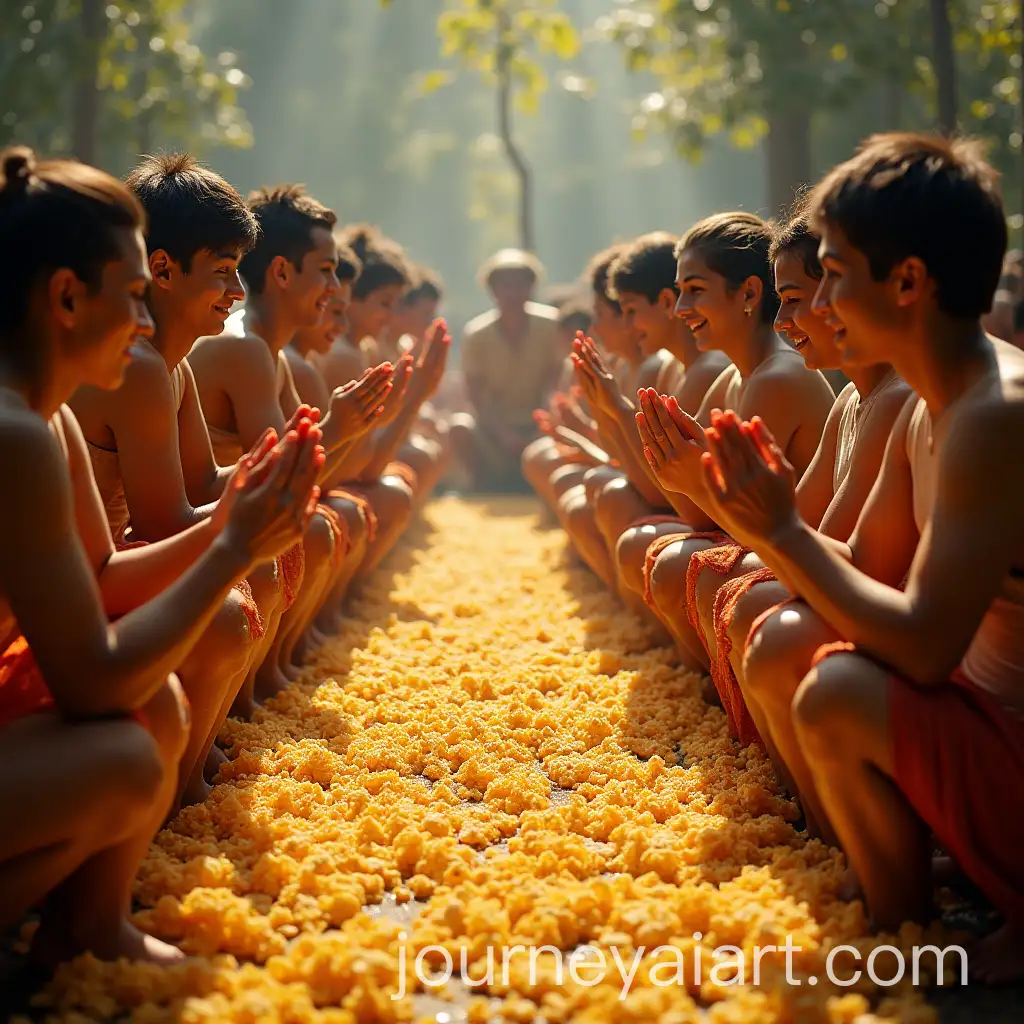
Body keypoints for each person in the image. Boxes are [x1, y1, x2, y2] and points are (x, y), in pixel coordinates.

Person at [683, 133, 1023, 980]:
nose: (813, 301)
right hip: (978, 723)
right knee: (796, 644)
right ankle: (900, 923)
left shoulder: (993, 413)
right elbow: (866, 573)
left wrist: (779, 532)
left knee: (832, 686)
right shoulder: (935, 402)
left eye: (832, 274)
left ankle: (919, 937)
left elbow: (920, 646)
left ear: (907, 282)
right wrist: (749, 518)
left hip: (1003, 733)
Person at [0, 146, 320, 967]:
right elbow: (93, 679)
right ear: (66, 297)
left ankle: (86, 927)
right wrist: (231, 546)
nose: (145, 326)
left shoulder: (49, 418)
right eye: (135, 296)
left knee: (159, 716)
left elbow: (104, 576)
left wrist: (235, 528)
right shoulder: (16, 432)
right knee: (125, 754)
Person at [68, 153, 286, 803]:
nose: (236, 294)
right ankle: (177, 785)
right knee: (229, 606)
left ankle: (197, 750)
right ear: (159, 269)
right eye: (222, 274)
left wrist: (273, 475)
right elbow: (167, 522)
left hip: (106, 573)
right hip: (78, 593)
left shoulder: (173, 364)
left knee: (264, 564)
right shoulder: (133, 366)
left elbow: (201, 484)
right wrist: (252, 514)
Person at [655, 205, 909, 745]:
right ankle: (765, 766)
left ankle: (798, 804)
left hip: (896, 630)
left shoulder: (891, 399)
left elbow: (831, 550)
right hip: (852, 597)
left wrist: (703, 489)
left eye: (794, 300)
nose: (783, 320)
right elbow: (795, 523)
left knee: (742, 600)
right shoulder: (848, 400)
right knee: (705, 573)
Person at [187, 187, 396, 703]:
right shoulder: (243, 347)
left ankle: (264, 677)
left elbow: (298, 481)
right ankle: (247, 694)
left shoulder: (269, 353)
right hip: (203, 522)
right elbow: (276, 487)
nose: (334, 287)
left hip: (228, 517)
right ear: (281, 273)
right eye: (325, 271)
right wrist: (339, 426)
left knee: (318, 526)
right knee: (307, 532)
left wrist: (345, 426)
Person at [629, 213, 835, 668]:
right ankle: (699, 685)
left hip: (802, 558)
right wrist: (665, 454)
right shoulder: (733, 376)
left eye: (695, 291)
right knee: (650, 547)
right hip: (771, 546)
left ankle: (714, 694)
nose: (682, 309)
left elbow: (715, 517)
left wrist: (683, 472)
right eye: (680, 291)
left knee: (676, 564)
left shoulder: (778, 376)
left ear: (747, 294)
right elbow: (695, 508)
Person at [313, 225, 449, 511]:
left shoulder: (364, 347)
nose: (390, 317)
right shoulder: (343, 354)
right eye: (385, 304)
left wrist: (416, 395)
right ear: (350, 298)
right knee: (395, 489)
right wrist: (415, 397)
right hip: (327, 483)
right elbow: (366, 467)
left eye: (395, 305)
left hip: (340, 473)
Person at [450, 248, 562, 492]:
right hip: (493, 431)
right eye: (505, 285)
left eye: (519, 284)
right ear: (492, 290)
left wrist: (538, 427)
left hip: (540, 426)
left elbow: (554, 385)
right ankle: (481, 484)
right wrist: (502, 434)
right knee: (459, 428)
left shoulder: (551, 325)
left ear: (531, 287)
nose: (513, 292)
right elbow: (475, 395)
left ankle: (542, 487)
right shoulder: (476, 333)